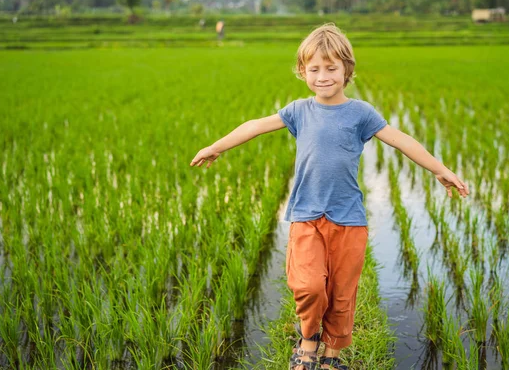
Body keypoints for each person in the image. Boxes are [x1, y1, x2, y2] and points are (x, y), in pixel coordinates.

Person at [190, 23, 469, 370]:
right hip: (306, 214)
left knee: (341, 293)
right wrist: (217, 147)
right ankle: (308, 338)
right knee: (308, 286)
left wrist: (440, 169)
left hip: (348, 218)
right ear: (302, 71)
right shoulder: (298, 110)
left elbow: (400, 139)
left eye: (331, 68)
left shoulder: (361, 113)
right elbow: (255, 125)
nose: (323, 76)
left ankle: (332, 354)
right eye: (314, 69)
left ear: (347, 70)